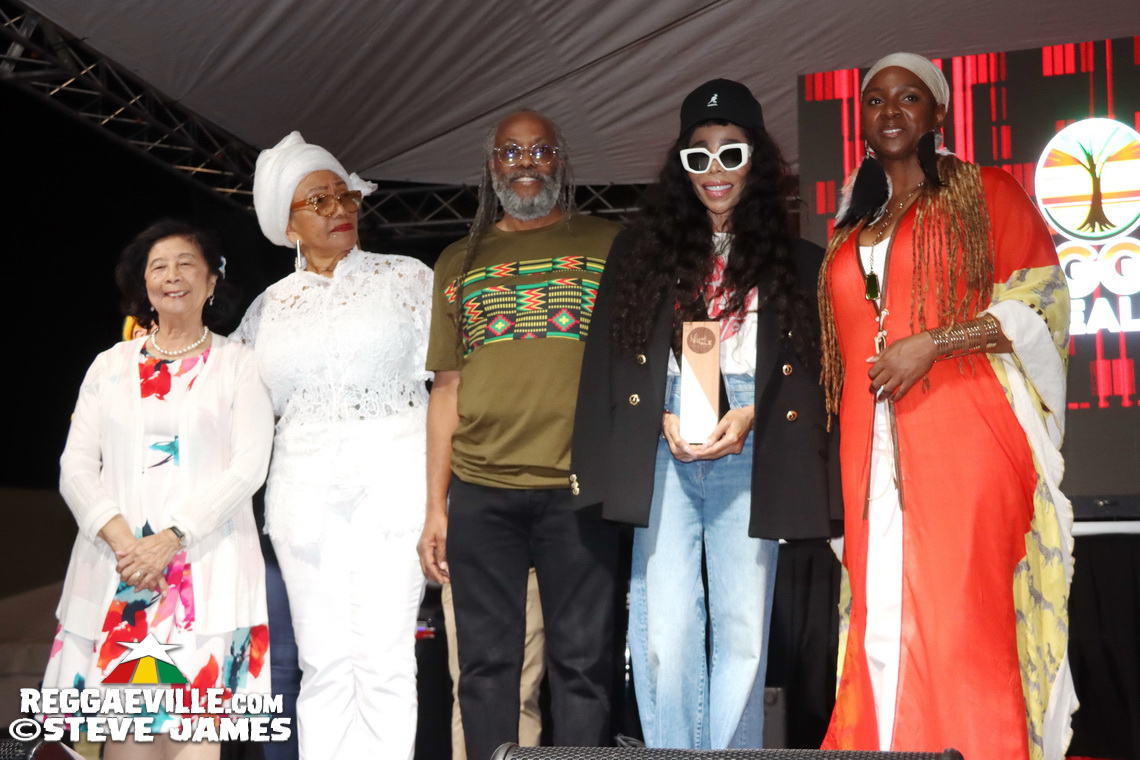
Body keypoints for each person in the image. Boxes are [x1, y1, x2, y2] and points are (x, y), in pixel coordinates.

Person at [818, 53, 1075, 759]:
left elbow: (1044, 304)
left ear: (940, 114)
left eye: (909, 98)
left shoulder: (984, 191)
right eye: (875, 100)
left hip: (969, 432)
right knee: (878, 618)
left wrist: (936, 341)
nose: (891, 110)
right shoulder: (853, 224)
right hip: (869, 452)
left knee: (962, 616)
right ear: (861, 120)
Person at [571, 79, 840, 750]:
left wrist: (748, 413)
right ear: (679, 166)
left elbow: (810, 375)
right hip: (662, 441)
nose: (714, 171)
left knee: (743, 631)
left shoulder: (797, 262)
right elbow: (612, 358)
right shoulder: (641, 254)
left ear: (758, 161)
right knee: (662, 632)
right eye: (699, 156)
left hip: (753, 444)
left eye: (731, 154)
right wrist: (654, 420)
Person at [417, 109, 621, 760]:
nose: (525, 163)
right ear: (491, 166)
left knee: (583, 670)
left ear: (562, 161)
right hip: (481, 492)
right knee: (483, 672)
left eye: (539, 151)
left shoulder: (610, 243)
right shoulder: (459, 258)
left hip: (580, 490)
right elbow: (445, 389)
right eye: (510, 152)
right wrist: (435, 507)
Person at [232, 132, 433, 760]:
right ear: (286, 223)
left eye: (343, 193)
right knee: (322, 665)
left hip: (394, 486)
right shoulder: (267, 309)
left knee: (385, 659)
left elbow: (456, 383)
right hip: (303, 500)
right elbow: (229, 403)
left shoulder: (408, 279)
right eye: (317, 200)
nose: (338, 208)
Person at [48, 220, 274, 760]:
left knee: (196, 746)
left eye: (185, 264)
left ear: (212, 281)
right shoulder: (110, 366)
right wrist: (130, 545)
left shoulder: (239, 365)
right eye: (158, 266)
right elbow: (75, 466)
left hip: (208, 572)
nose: (172, 276)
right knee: (129, 747)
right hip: (121, 574)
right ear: (142, 283)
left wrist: (172, 537)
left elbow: (249, 467)